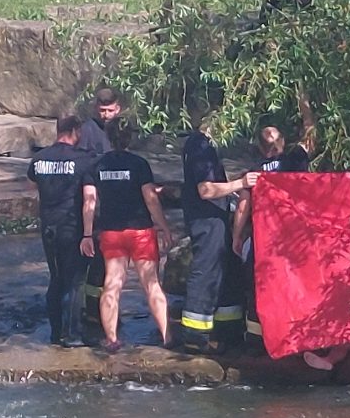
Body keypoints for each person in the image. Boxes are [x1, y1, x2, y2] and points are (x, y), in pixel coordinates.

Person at [83, 117, 174, 350]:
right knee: (151, 284)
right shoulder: (139, 164)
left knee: (112, 284)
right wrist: (163, 226)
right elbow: (150, 199)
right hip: (141, 231)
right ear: (129, 137)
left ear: (108, 137)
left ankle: (111, 339)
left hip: (111, 233)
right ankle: (167, 337)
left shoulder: (97, 165)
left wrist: (87, 234)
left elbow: (89, 201)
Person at [178, 122, 256, 352]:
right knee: (207, 270)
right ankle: (195, 335)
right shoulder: (201, 146)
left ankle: (228, 330)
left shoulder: (202, 145)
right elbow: (206, 190)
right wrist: (241, 183)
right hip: (206, 219)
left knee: (227, 269)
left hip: (215, 216)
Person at [28, 114, 98, 346]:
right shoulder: (84, 160)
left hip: (48, 226)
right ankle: (72, 334)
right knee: (75, 281)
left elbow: (33, 186)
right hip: (72, 227)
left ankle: (55, 332)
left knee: (56, 278)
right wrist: (88, 234)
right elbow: (89, 199)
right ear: (75, 131)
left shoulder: (39, 159)